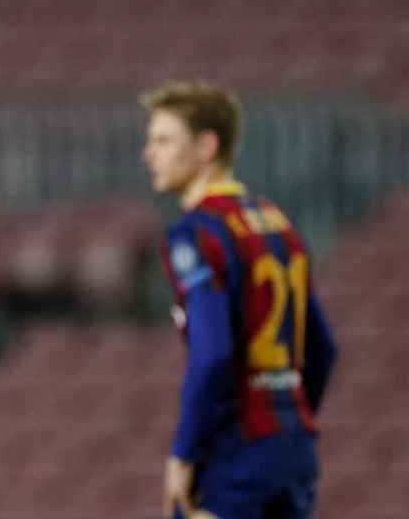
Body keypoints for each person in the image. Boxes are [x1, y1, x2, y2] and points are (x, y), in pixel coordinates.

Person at [140, 81, 338, 519]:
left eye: (164, 140)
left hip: (237, 454)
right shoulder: (277, 223)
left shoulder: (197, 233)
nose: (148, 153)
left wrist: (183, 454)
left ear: (206, 146)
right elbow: (322, 348)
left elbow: (212, 356)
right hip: (294, 448)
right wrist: (287, 418)